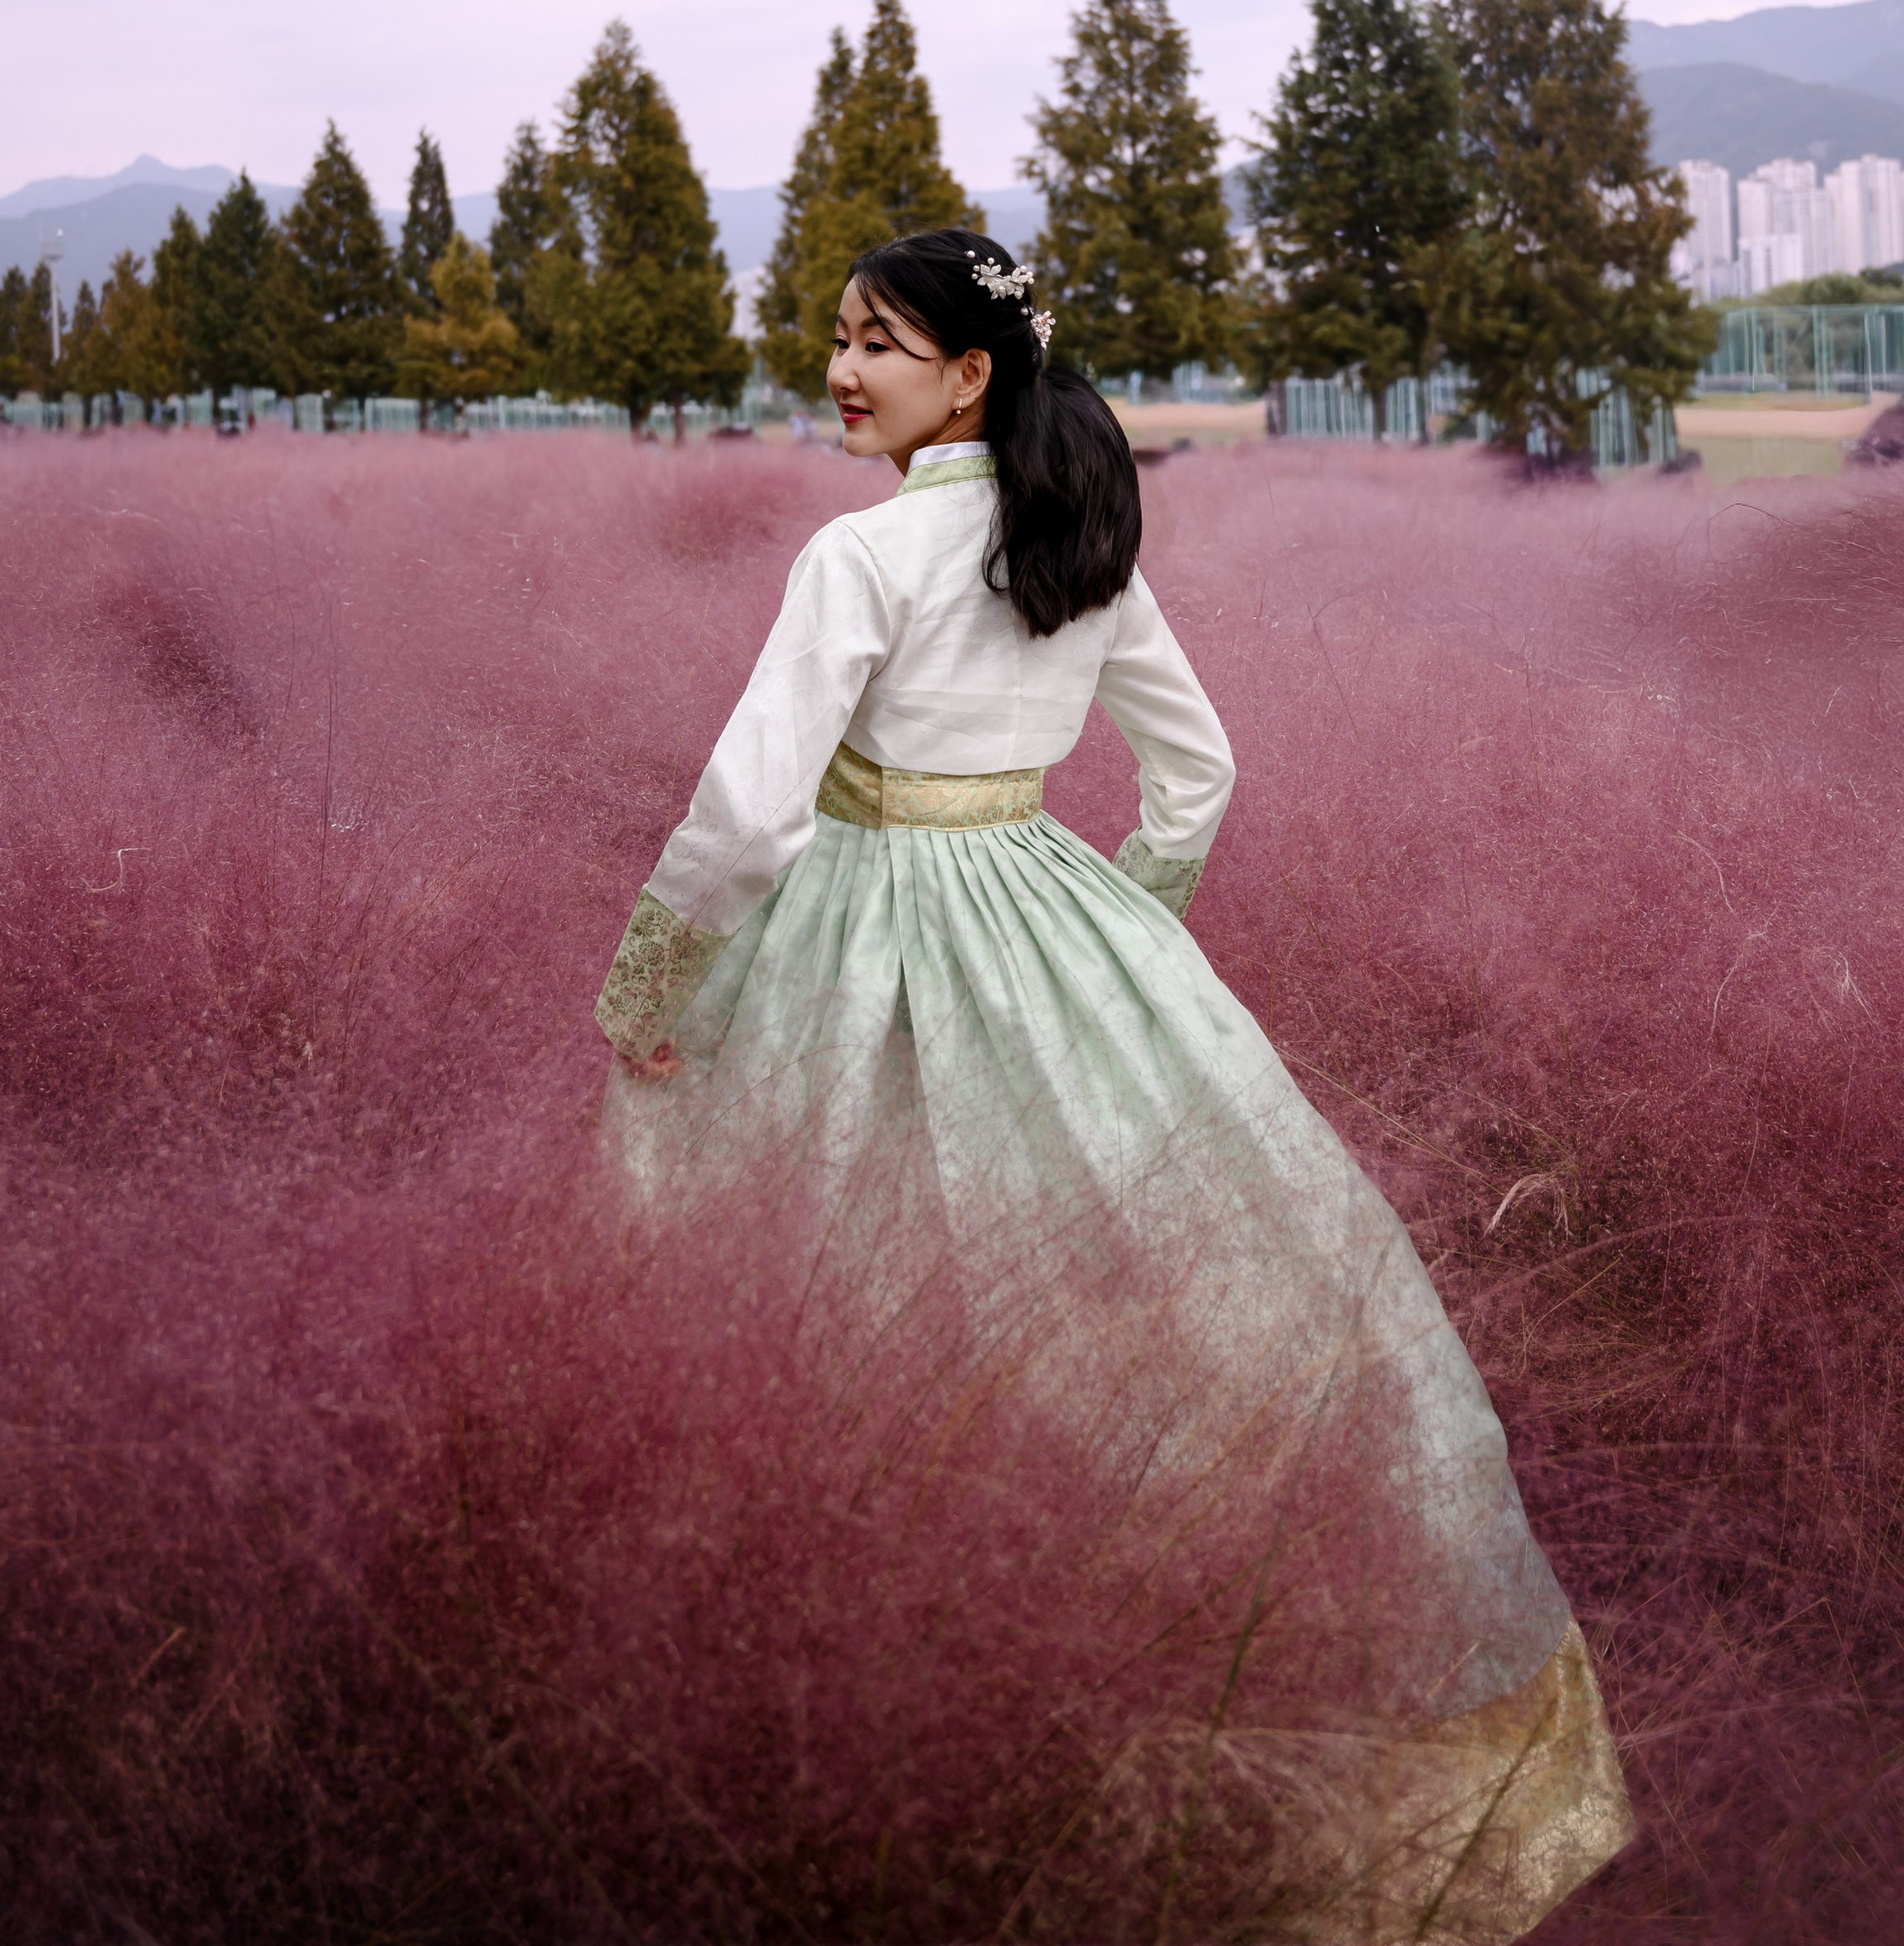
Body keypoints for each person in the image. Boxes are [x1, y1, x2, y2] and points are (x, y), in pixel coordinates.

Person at [592, 227, 1631, 1940]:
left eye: (875, 340)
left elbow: (748, 812)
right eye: (835, 337)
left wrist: (648, 985)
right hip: (1052, 912)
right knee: (1105, 1293)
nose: (840, 368)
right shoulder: (1079, 538)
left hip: (850, 932)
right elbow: (1192, 769)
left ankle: (882, 1675)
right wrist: (1112, 945)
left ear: (968, 372)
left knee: (834, 1271)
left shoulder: (858, 555)